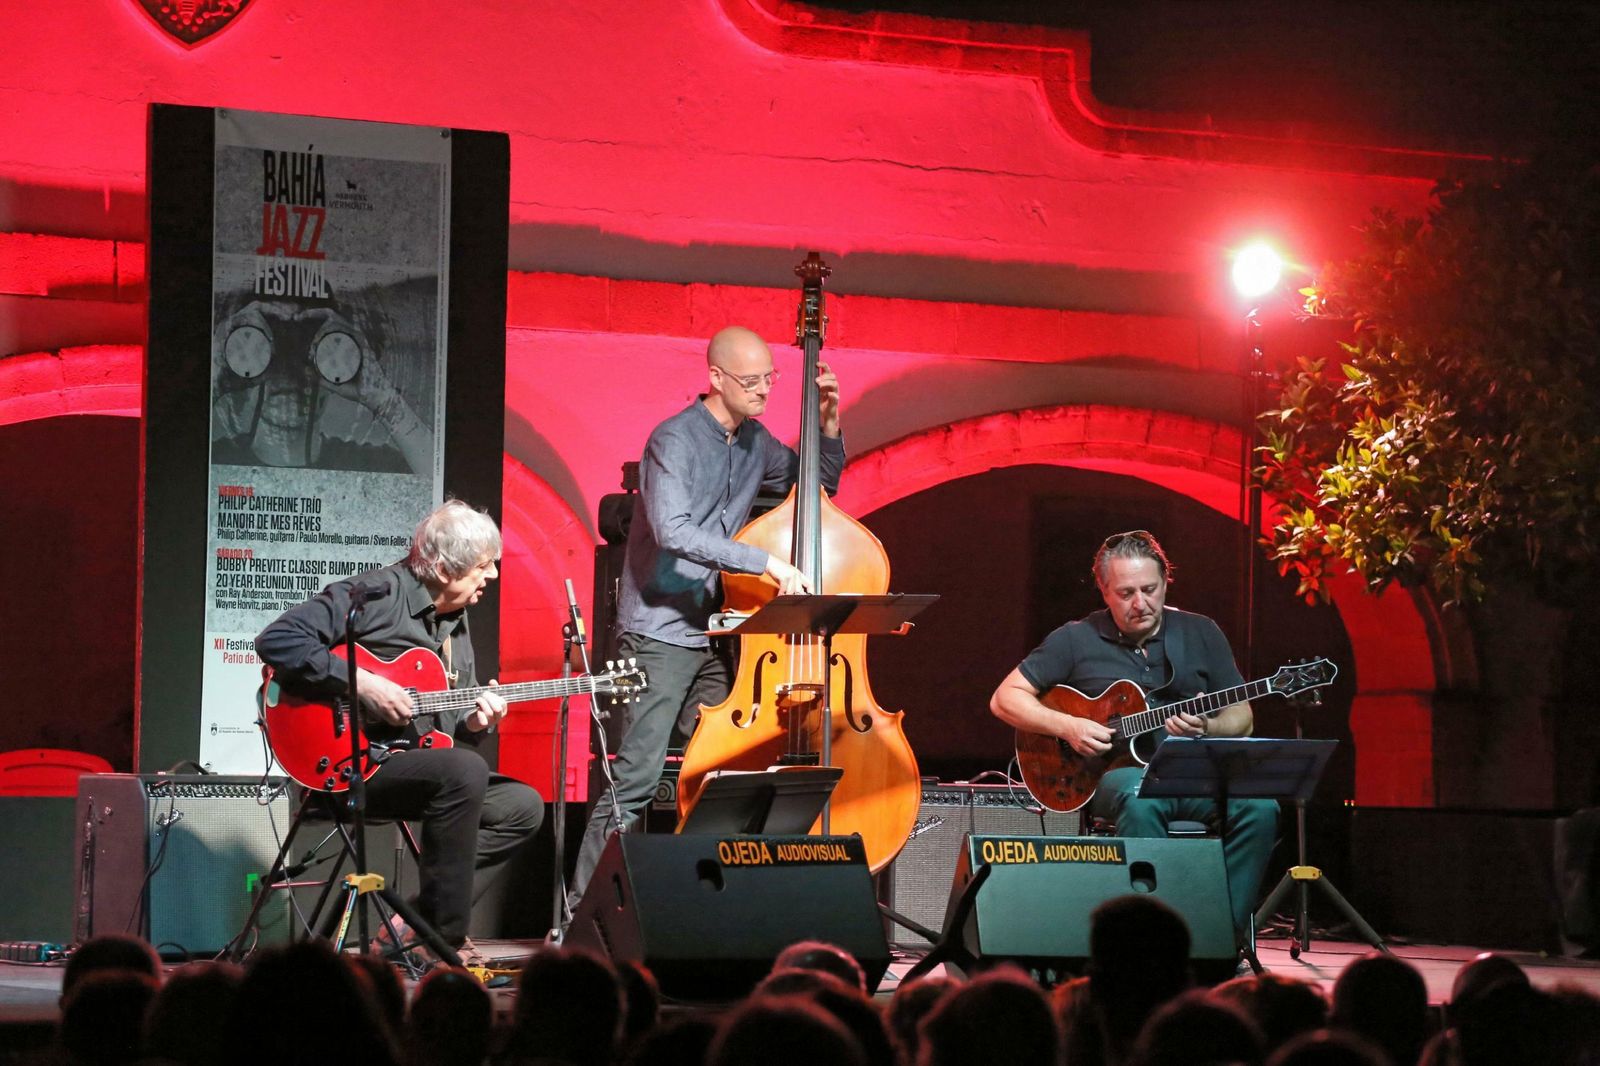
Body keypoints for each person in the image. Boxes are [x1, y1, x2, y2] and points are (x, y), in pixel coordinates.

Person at [569, 325, 844, 906]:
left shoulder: (756, 441)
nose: (764, 391)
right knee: (638, 779)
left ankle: (702, 901)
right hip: (659, 635)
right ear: (715, 378)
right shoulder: (672, 441)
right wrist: (764, 561)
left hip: (717, 634)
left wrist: (827, 425)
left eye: (769, 379)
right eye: (751, 381)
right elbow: (672, 531)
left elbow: (817, 488)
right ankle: (582, 914)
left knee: (727, 769)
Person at [255, 499, 544, 958]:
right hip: (348, 766)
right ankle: (442, 941)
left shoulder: (457, 626)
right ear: (446, 569)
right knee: (463, 771)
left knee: (522, 806)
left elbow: (448, 738)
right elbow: (276, 640)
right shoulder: (375, 594)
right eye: (483, 566)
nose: (491, 576)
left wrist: (472, 722)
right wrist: (364, 685)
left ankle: (414, 921)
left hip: (412, 768)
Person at [989, 529, 1277, 943]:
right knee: (1141, 797)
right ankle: (1149, 941)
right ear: (1104, 592)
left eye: (1150, 589)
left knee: (1260, 808)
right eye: (1126, 593)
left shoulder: (1200, 632)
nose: (1141, 603)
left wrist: (1209, 727)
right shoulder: (1075, 638)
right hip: (1115, 777)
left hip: (1191, 774)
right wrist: (1068, 726)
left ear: (1165, 583)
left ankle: (1219, 938)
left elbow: (1242, 716)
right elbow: (1004, 699)